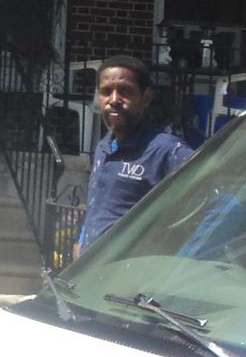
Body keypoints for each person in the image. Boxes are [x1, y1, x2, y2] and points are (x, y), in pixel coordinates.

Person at [76, 55, 195, 253]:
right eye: (106, 92)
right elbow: (99, 204)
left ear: (146, 98)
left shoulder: (167, 150)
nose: (114, 100)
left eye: (125, 91)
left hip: (130, 275)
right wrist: (82, 240)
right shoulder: (104, 147)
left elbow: (222, 205)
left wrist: (181, 261)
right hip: (92, 273)